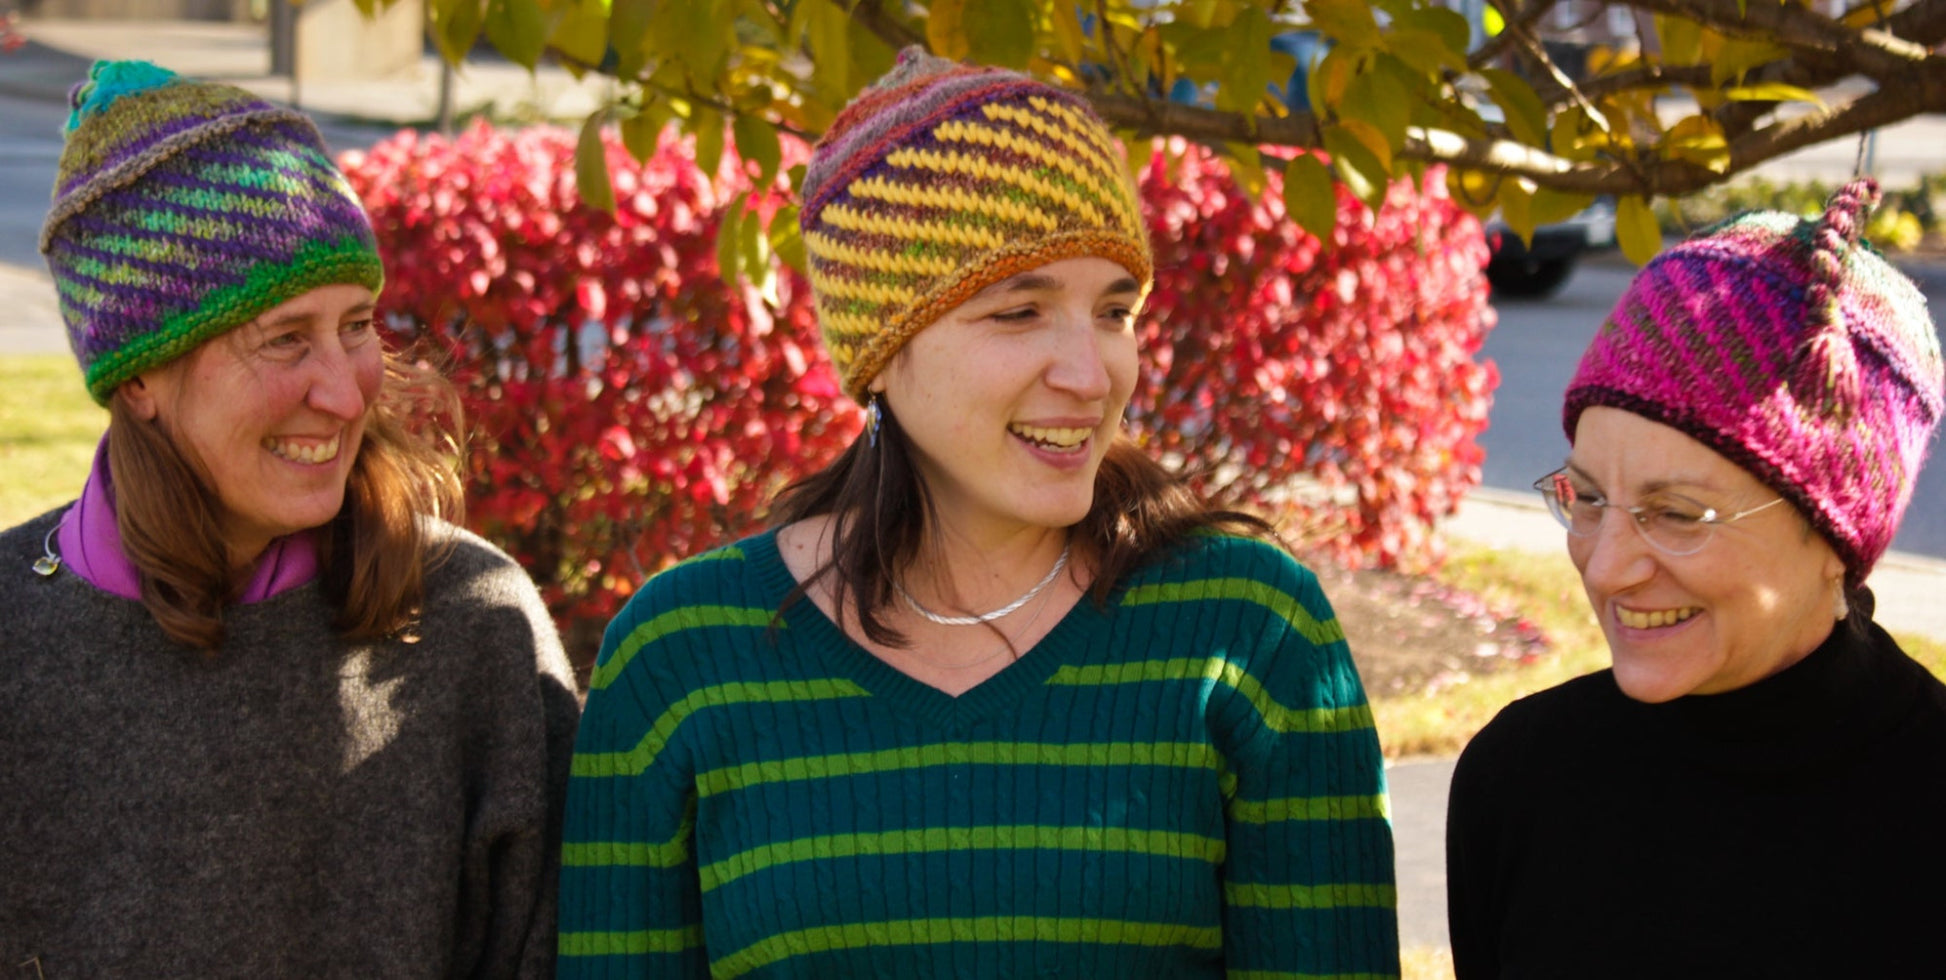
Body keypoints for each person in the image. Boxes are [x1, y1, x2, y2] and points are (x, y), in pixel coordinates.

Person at [558, 49, 1399, 978]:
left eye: (1114, 311)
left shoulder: (1247, 631)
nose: (1090, 374)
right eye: (1018, 312)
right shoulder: (682, 655)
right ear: (882, 349)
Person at [0, 60, 579, 977]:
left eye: (356, 325)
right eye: (284, 339)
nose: (348, 392)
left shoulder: (475, 629)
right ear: (139, 379)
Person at [1445, 179, 1946, 978]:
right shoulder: (1521, 782)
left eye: (1676, 514)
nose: (1607, 568)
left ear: (1834, 533)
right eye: (1590, 498)